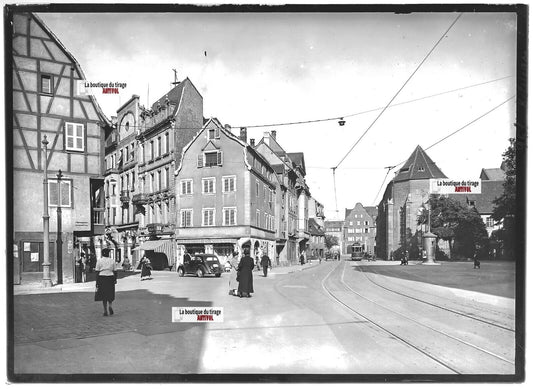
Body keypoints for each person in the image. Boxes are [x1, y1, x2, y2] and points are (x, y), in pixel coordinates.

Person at [94, 248, 120, 316]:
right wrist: (115, 279)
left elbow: (97, 271)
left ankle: (105, 310)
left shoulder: (99, 261)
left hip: (102, 277)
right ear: (108, 254)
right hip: (110, 277)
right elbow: (115, 271)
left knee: (103, 294)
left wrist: (97, 282)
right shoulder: (112, 261)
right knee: (110, 293)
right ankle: (110, 305)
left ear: (102, 253)